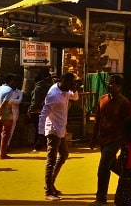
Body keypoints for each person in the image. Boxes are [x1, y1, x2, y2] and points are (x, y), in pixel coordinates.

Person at [90, 74, 131, 205]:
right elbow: (98, 120)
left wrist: (127, 142)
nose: (109, 85)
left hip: (116, 139)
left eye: (112, 83)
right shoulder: (102, 99)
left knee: (103, 167)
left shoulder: (124, 102)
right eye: (108, 83)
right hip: (103, 138)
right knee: (112, 165)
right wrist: (93, 138)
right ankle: (130, 181)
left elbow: (128, 123)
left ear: (119, 87)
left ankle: (101, 197)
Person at [39, 72, 79, 201]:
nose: (72, 85)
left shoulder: (64, 91)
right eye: (71, 83)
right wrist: (40, 133)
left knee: (64, 155)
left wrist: (75, 90)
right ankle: (48, 191)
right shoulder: (53, 94)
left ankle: (50, 184)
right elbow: (43, 113)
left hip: (61, 129)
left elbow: (75, 98)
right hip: (53, 131)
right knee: (51, 160)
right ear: (64, 81)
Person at [27, 70, 53, 151]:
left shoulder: (37, 89)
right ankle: (46, 144)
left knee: (37, 128)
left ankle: (37, 145)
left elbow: (35, 102)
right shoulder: (49, 87)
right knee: (45, 128)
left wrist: (29, 110)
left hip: (37, 111)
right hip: (47, 110)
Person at [7, 77, 23, 149]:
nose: (14, 84)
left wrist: (10, 100)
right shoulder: (7, 91)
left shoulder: (20, 92)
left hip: (15, 112)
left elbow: (19, 101)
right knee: (5, 128)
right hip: (7, 111)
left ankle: (8, 143)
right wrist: (14, 101)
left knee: (12, 128)